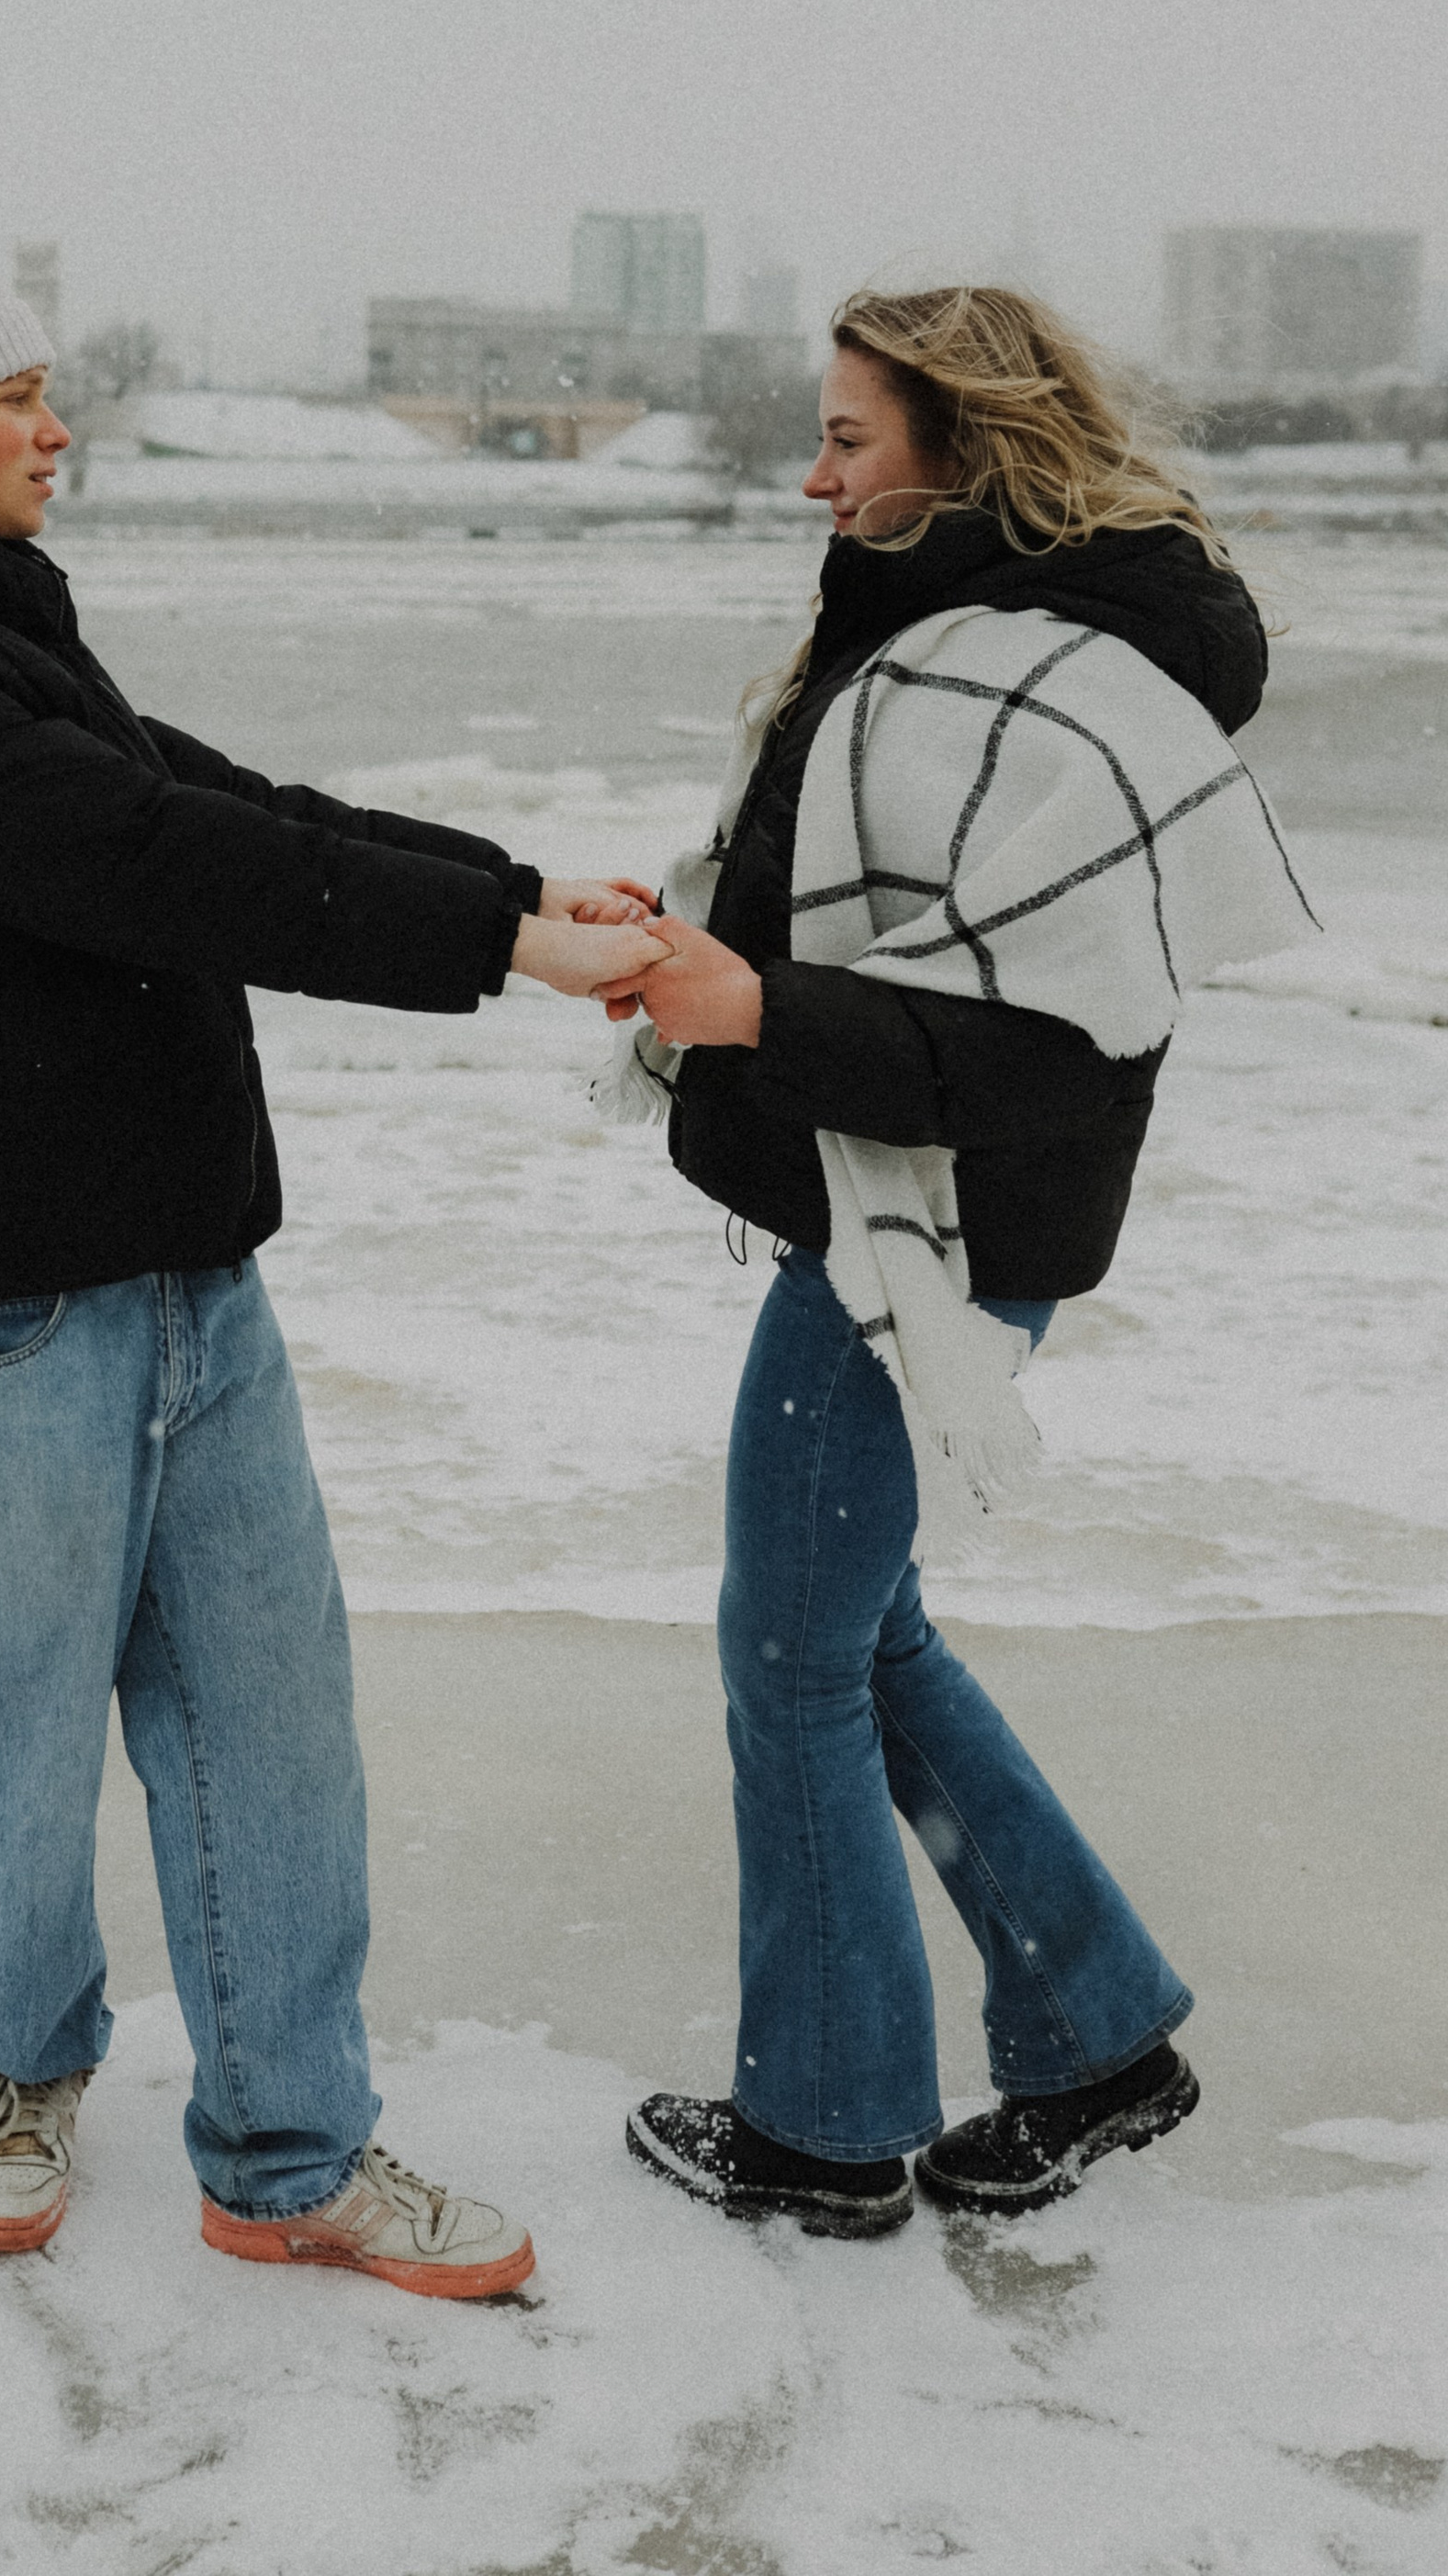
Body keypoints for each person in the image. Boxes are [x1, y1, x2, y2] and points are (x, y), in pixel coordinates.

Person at [0, 259, 659, 2295]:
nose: (56, 426)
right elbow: (146, 860)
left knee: (269, 1726)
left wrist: (507, 886)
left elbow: (215, 802)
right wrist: (499, 951)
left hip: (192, 1271)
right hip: (3, 1300)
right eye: (14, 397)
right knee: (19, 1732)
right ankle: (20, 2070)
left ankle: (287, 2155)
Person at [594, 285, 1313, 2236]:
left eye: (846, 438)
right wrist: (695, 954)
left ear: (965, 445)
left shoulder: (1059, 680)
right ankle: (1094, 2033)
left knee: (789, 1656)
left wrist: (756, 1009)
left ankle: (827, 2134)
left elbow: (1045, 1037)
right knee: (857, 1631)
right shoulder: (949, 630)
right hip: (892, 1206)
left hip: (930, 1230)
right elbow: (883, 922)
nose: (810, 475)